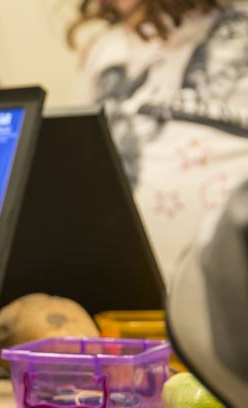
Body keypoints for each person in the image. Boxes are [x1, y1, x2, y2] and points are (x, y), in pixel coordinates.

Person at [69, 0, 248, 282]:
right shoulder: (109, 50)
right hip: (128, 286)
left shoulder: (235, 30)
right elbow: (79, 172)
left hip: (228, 284)